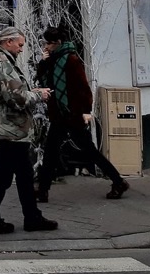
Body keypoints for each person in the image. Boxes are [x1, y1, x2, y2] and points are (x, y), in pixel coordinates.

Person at [35, 24, 129, 201]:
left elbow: (83, 88)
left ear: (58, 43)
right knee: (51, 152)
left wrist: (86, 111)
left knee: (89, 152)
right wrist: (43, 61)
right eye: (45, 43)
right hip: (60, 115)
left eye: (49, 43)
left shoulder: (71, 60)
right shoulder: (53, 59)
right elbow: (44, 81)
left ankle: (118, 181)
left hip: (73, 114)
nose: (46, 46)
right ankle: (43, 190)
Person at [0, 26, 58, 235]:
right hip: (10, 128)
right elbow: (17, 98)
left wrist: (32, 91)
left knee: (22, 175)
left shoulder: (0, 60)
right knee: (4, 177)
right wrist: (38, 96)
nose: (21, 49)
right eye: (20, 45)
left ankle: (31, 216)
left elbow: (14, 93)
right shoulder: (3, 64)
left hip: (11, 128)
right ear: (8, 42)